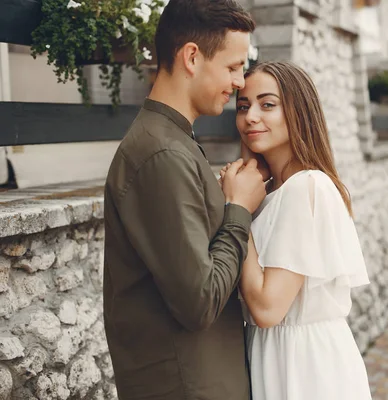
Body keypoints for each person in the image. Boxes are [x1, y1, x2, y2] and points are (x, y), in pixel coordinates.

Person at [102, 0, 266, 399]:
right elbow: (200, 301)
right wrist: (239, 210)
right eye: (232, 67)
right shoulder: (162, 153)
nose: (241, 82)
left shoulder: (175, 142)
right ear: (192, 57)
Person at [221, 61, 372, 399]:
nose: (250, 117)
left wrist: (237, 210)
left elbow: (267, 309)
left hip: (306, 368)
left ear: (298, 111)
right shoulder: (273, 190)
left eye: (267, 104)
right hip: (275, 357)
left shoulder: (307, 187)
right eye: (243, 106)